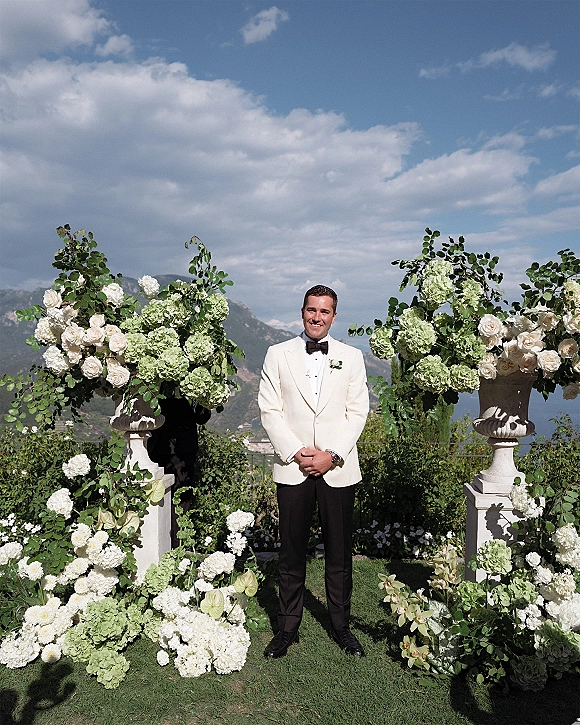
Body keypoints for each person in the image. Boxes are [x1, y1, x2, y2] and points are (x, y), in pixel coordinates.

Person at [258, 285, 369, 658]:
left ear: (334, 316)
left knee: (339, 553)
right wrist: (296, 452)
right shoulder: (277, 354)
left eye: (324, 311)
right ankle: (287, 628)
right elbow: (269, 410)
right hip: (293, 467)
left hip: (337, 469)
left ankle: (341, 627)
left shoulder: (353, 357)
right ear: (302, 311)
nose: (317, 317)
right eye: (311, 310)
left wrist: (332, 455)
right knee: (290, 552)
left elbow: (358, 412)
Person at [147, 396, 211, 549]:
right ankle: (170, 547)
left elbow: (202, 417)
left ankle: (174, 547)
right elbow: (201, 417)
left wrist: (202, 400)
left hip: (173, 446)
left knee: (177, 500)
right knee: (171, 500)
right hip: (164, 446)